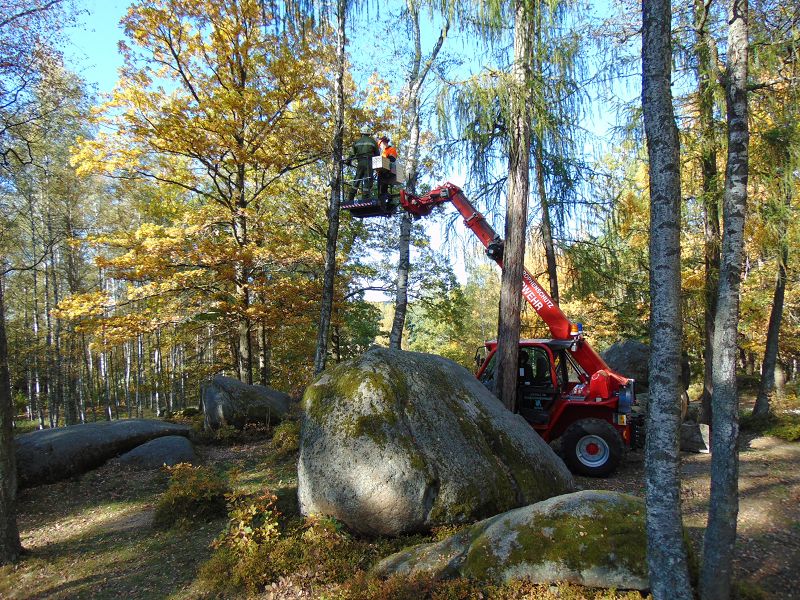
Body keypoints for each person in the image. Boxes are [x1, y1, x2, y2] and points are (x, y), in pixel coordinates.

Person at [346, 130, 379, 203]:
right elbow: (377, 155)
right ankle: (366, 198)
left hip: (360, 163)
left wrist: (348, 161)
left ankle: (350, 197)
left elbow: (352, 154)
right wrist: (378, 168)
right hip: (369, 162)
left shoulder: (357, 142)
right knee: (367, 180)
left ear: (362, 133)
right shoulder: (373, 142)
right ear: (369, 134)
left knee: (357, 179)